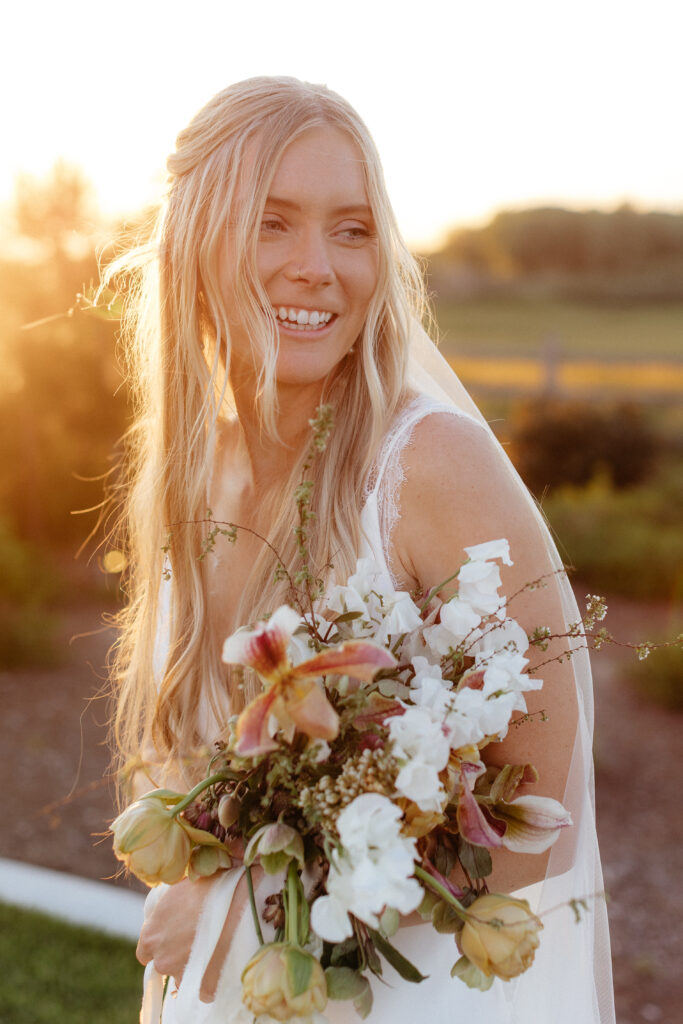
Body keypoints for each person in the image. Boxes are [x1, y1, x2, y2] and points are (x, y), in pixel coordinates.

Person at [107, 76, 615, 1023]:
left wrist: (234, 916)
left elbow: (540, 811)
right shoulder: (193, 469)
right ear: (193, 241)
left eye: (351, 229)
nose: (318, 267)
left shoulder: (428, 464)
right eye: (273, 222)